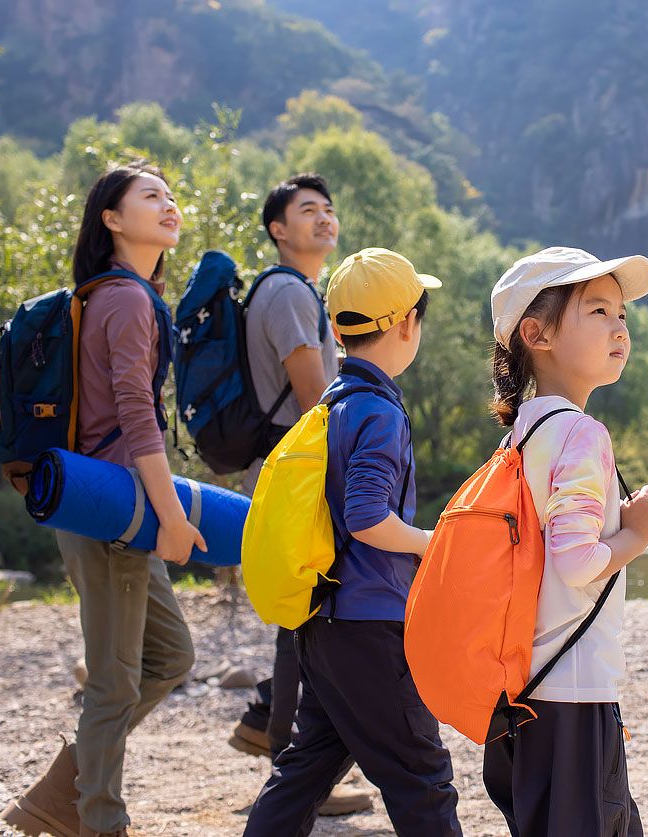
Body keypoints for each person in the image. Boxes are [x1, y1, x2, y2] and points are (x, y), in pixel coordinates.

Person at [1, 162, 199, 837]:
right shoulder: (124, 299)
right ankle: (98, 822)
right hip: (116, 507)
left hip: (108, 502)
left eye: (171, 195)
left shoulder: (119, 295)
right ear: (112, 219)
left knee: (169, 655)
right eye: (150, 196)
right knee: (114, 681)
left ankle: (61, 793)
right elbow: (136, 417)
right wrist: (171, 515)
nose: (168, 204)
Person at [243, 247, 461, 837]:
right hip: (370, 625)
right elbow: (367, 517)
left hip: (324, 623)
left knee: (308, 766)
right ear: (406, 324)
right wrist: (426, 543)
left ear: (337, 329)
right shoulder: (379, 412)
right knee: (423, 777)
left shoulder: (331, 404)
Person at [482, 246, 648, 836]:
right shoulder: (581, 434)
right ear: (536, 334)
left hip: (524, 687)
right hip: (572, 688)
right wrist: (637, 533)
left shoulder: (528, 430)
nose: (619, 327)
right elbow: (577, 563)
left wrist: (611, 515)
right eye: (597, 311)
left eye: (621, 314)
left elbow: (548, 537)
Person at [225, 172, 371, 816]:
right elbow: (318, 402)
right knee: (304, 612)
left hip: (292, 466)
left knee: (305, 610)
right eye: (307, 210)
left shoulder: (303, 292)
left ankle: (278, 734)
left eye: (329, 209)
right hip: (300, 469)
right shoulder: (286, 293)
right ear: (278, 229)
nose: (323, 218)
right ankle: (294, 764)